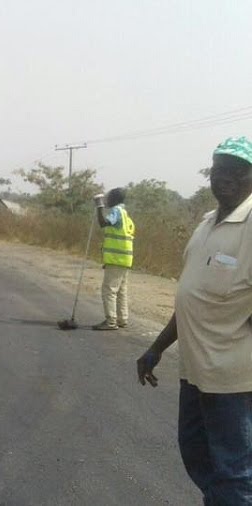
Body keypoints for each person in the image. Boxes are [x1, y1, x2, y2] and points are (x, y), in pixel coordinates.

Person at [136, 136, 252, 503]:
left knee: (233, 468)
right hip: (195, 371)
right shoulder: (206, 223)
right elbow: (191, 296)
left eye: (237, 170)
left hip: (233, 376)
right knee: (196, 453)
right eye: (219, 169)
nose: (226, 177)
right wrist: (156, 348)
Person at [92, 187, 135, 331]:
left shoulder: (116, 212)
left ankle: (111, 321)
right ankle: (122, 319)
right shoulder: (126, 215)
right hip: (125, 259)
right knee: (121, 290)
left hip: (116, 259)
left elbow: (104, 223)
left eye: (109, 197)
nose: (107, 200)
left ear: (115, 199)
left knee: (109, 290)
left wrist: (99, 206)